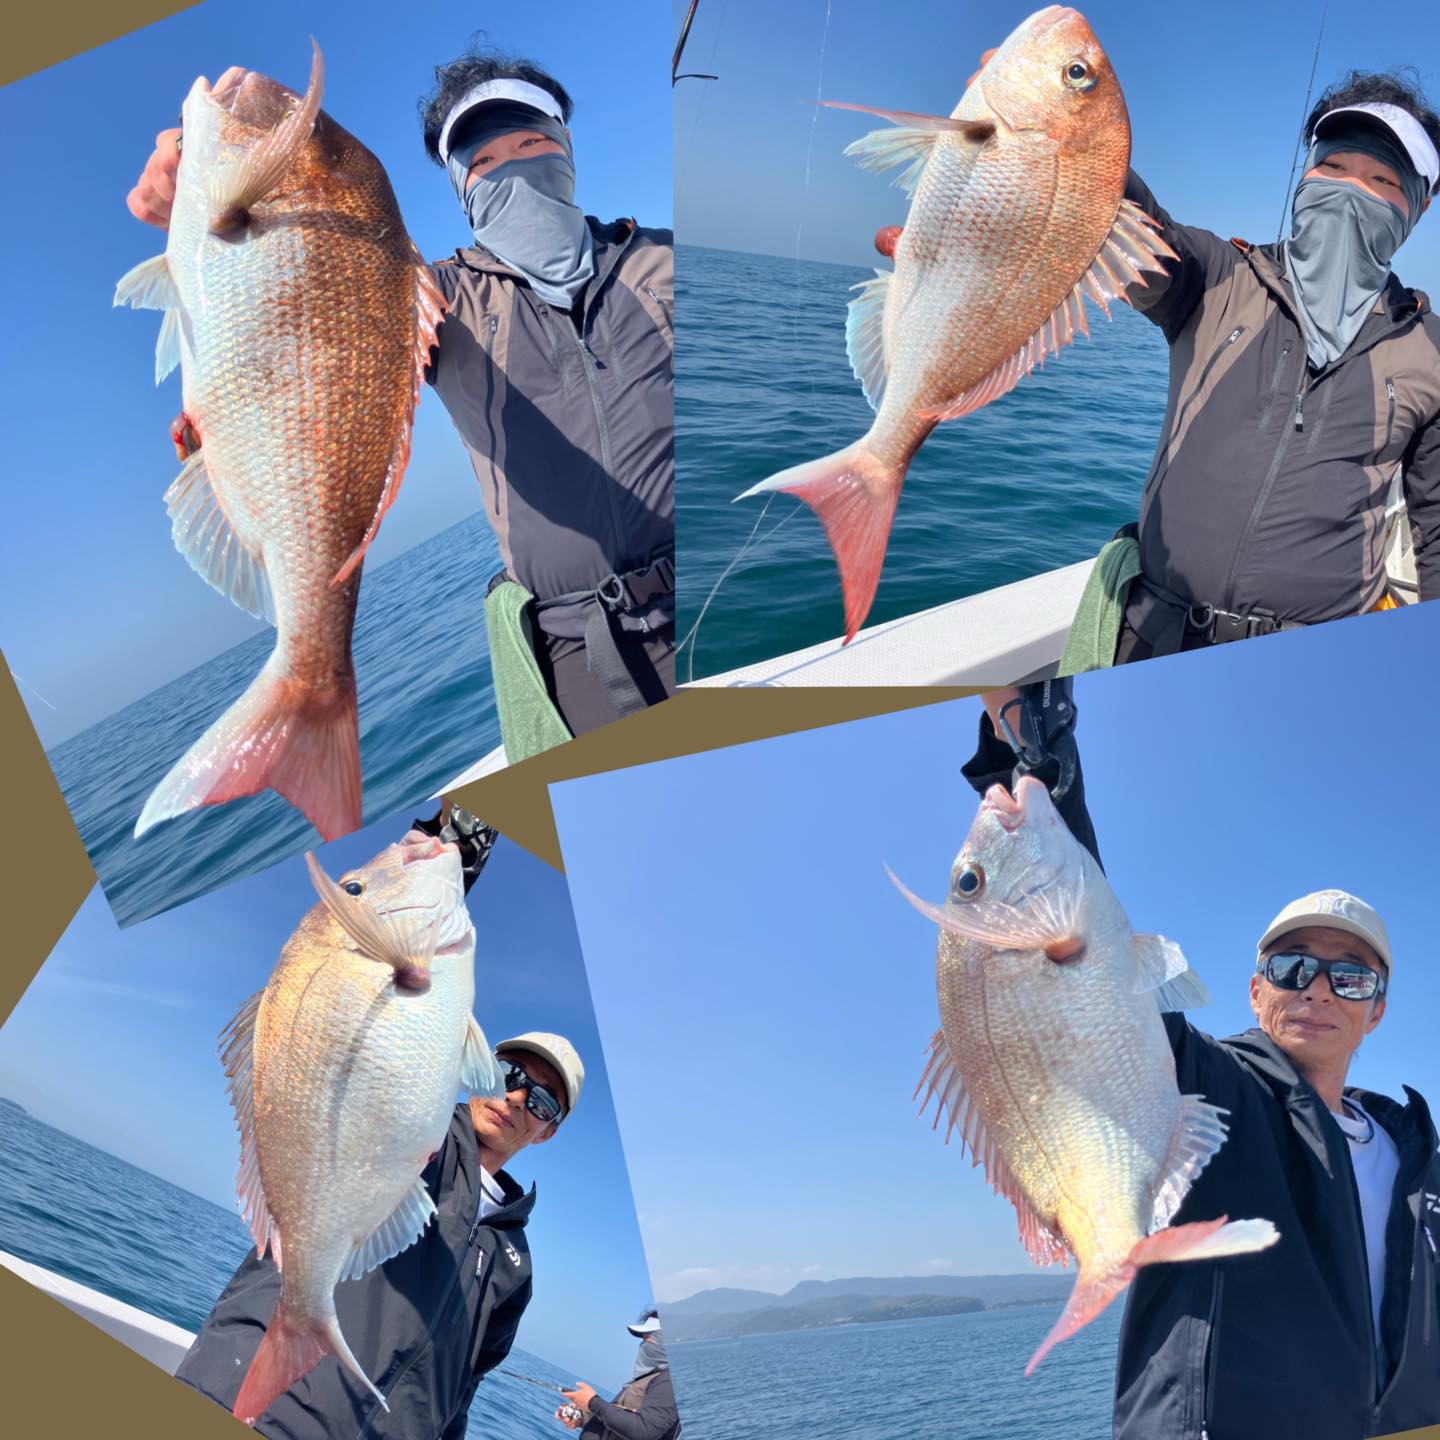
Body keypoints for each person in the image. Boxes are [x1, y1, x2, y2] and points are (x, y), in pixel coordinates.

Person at [126, 45, 675, 757]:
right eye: (482, 160)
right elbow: (321, 294)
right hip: (581, 653)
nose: (510, 167)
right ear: (460, 187)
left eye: (531, 142)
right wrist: (181, 166)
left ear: (566, 145)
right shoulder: (441, 298)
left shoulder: (669, 260)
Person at [965, 683, 1440, 1439]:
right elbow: (1085, 960)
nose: (1318, 989)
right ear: (1256, 992)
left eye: (1350, 978)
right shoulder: (1216, 1084)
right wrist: (1036, 753)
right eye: (1292, 968)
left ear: (1376, 1010)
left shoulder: (1415, 1150)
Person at [1103, 71, 1440, 661]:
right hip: (1152, 636)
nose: (1350, 191)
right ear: (1305, 174)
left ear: (1420, 204)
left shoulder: (1429, 349)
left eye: (1382, 179)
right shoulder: (1217, 276)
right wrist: (1055, 128)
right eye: (1332, 166)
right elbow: (1118, 218)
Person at [174, 1030, 586, 1440]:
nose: (516, 1096)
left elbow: (464, 1387)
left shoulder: (515, 1263)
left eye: (542, 1100)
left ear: (546, 1131)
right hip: (253, 1404)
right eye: (508, 1072)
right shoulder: (410, 1129)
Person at [558, 1309, 682, 1440]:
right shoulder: (650, 1378)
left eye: (648, 1338)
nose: (643, 1345)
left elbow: (644, 1430)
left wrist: (592, 1402)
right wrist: (584, 1418)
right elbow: (623, 1425)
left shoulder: (669, 1382)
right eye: (643, 1339)